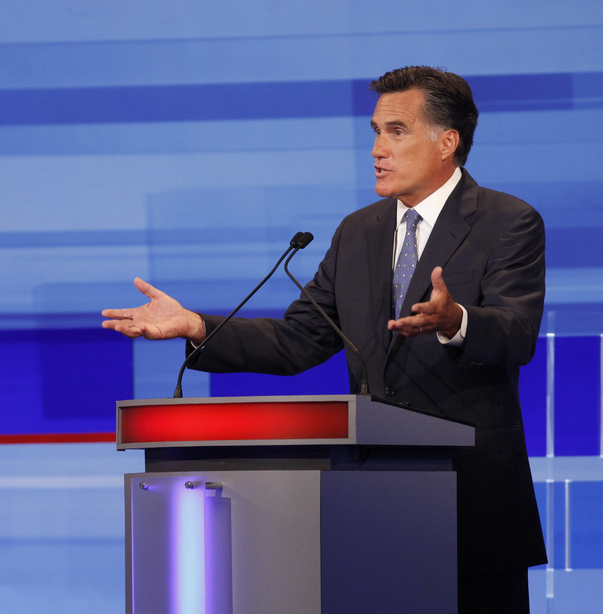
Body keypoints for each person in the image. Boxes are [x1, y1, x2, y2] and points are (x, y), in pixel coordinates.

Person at [102, 66, 547, 613]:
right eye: (375, 131)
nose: (377, 149)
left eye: (397, 131)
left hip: (471, 505)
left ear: (447, 142)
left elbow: (517, 333)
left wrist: (455, 318)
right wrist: (196, 326)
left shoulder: (507, 221)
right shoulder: (358, 231)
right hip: (365, 510)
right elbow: (297, 340)